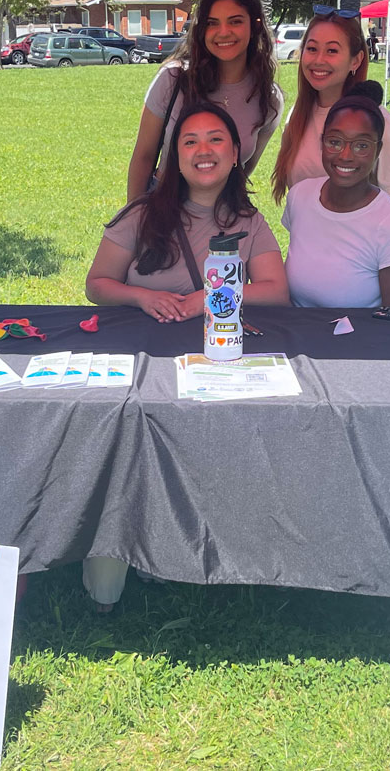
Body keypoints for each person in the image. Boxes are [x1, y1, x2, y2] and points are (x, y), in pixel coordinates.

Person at [85, 102, 289, 610]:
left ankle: (203, 550)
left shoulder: (249, 220)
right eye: (190, 141)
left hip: (217, 359)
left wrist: (211, 296)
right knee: (128, 441)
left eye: (216, 139)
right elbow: (97, 284)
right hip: (141, 360)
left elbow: (276, 290)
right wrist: (141, 296)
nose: (204, 151)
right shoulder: (141, 215)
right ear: (175, 156)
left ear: (236, 151)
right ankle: (116, 558)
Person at [125, 0, 282, 202]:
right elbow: (143, 156)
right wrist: (132, 224)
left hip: (221, 221)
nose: (223, 32)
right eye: (212, 23)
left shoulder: (269, 97)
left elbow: (243, 170)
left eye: (235, 21)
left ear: (255, 25)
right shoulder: (174, 79)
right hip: (163, 210)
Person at [282, 81, 390, 310]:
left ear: (378, 151)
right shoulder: (300, 197)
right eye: (335, 142)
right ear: (322, 143)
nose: (346, 155)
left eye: (361, 145)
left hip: (361, 343)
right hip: (299, 340)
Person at [270, 6, 390, 206]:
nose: (319, 60)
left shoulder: (372, 118)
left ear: (355, 61)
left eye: (332, 51)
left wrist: (352, 223)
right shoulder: (298, 114)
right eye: (312, 49)